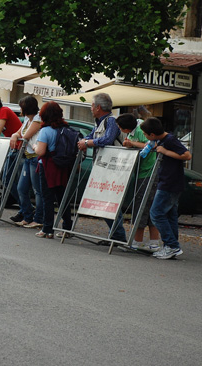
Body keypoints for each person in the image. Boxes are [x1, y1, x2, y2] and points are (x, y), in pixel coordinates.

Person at [77, 93, 126, 242]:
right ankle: (116, 235)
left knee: (109, 202)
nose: (91, 108)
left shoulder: (111, 121)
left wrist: (87, 143)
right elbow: (91, 136)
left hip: (112, 170)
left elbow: (108, 139)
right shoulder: (100, 121)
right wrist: (84, 141)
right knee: (105, 202)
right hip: (103, 168)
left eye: (92, 105)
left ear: (98, 107)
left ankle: (118, 236)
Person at [140, 117, 191, 259]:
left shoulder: (169, 140)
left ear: (152, 134)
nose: (145, 137)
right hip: (170, 181)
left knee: (156, 213)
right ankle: (171, 246)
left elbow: (187, 155)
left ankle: (172, 245)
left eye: (145, 134)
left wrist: (165, 151)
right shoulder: (162, 140)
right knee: (169, 215)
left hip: (170, 182)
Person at [115, 113, 161, 252]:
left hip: (149, 171)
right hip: (142, 172)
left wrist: (132, 143)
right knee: (143, 206)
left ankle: (146, 242)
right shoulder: (135, 130)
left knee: (144, 207)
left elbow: (151, 145)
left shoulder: (141, 130)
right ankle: (142, 241)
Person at [34, 101, 73, 239]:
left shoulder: (45, 131)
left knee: (47, 198)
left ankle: (47, 229)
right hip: (63, 166)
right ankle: (67, 228)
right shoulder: (66, 128)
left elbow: (40, 151)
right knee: (63, 198)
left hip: (48, 167)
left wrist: (34, 146)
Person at [9, 95, 43, 229]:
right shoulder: (27, 120)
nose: (19, 110)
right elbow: (18, 133)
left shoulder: (37, 119)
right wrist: (14, 135)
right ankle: (27, 216)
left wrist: (18, 135)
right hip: (28, 156)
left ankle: (38, 218)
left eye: (21, 107)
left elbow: (26, 136)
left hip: (35, 156)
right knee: (21, 188)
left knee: (37, 190)